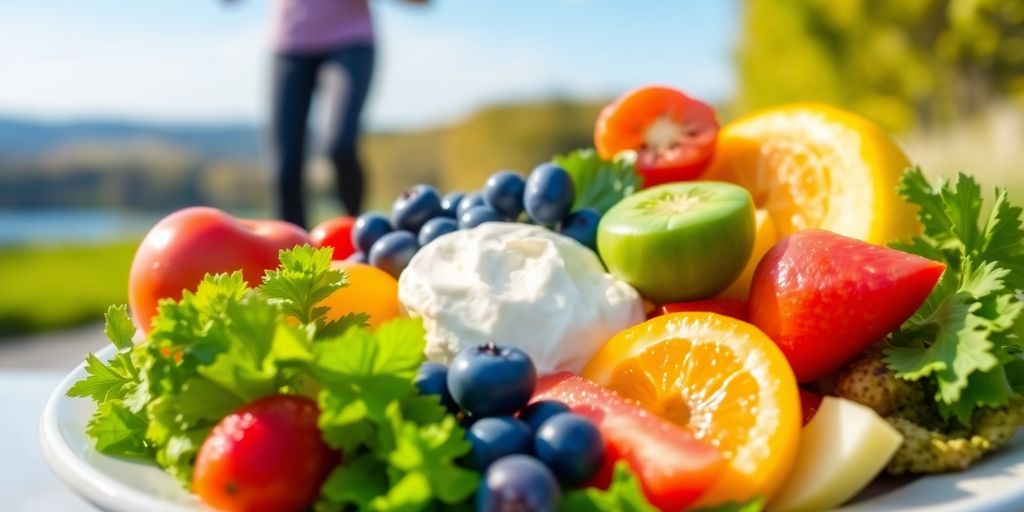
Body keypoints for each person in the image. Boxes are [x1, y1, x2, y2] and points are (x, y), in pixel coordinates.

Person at [237, 0, 426, 229]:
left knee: (340, 145)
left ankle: (359, 235)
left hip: (351, 42)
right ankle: (293, 253)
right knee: (284, 168)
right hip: (289, 46)